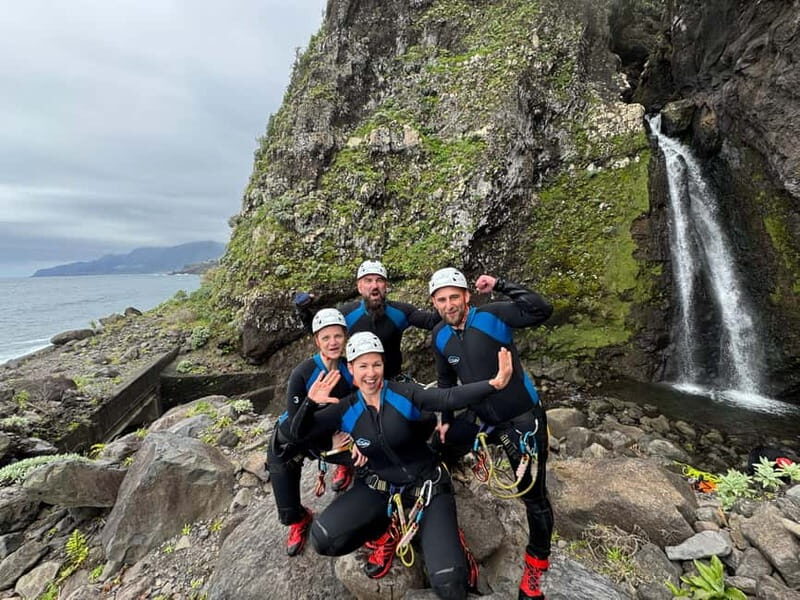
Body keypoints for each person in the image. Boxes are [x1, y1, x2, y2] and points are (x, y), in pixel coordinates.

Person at [290, 332, 514, 600]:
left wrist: (495, 383)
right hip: (381, 488)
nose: (371, 373)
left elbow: (447, 397)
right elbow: (299, 434)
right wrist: (310, 404)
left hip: (427, 487)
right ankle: (386, 526)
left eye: (376, 364)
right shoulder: (345, 410)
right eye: (362, 366)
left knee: (450, 585)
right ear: (350, 369)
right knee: (323, 538)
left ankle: (440, 535)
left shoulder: (404, 394)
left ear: (384, 366)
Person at [428, 267, 553, 600]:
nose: (449, 304)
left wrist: (500, 285)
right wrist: (443, 417)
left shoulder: (493, 316)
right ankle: (443, 522)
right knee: (438, 446)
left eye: (455, 296)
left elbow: (542, 309)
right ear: (434, 303)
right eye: (442, 299)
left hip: (520, 418)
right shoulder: (440, 335)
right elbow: (444, 382)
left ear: (467, 296)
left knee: (534, 498)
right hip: (481, 417)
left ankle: (536, 566)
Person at [267, 308, 356, 556]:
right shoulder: (303, 373)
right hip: (294, 438)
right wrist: (327, 440)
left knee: (367, 459)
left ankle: (344, 466)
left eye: (337, 336)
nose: (332, 343)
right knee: (286, 513)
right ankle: (300, 519)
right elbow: (296, 428)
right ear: (316, 341)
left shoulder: (352, 368)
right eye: (325, 338)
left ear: (345, 336)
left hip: (335, 434)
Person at [296, 260, 440, 380]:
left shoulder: (401, 312)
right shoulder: (347, 314)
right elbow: (319, 329)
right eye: (368, 281)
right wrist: (304, 311)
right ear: (360, 287)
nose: (374, 286)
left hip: (392, 380)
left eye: (379, 280)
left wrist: (445, 299)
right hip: (359, 383)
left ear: (386, 286)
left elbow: (431, 322)